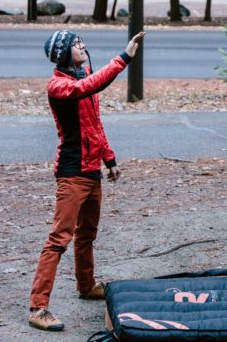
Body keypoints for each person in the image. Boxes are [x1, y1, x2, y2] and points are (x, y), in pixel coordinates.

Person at [28, 29, 145, 332]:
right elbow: (92, 85)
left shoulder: (82, 76)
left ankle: (86, 285)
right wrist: (124, 58)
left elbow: (94, 125)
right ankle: (38, 307)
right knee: (58, 239)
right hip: (71, 173)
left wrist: (110, 159)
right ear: (63, 53)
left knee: (87, 234)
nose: (83, 46)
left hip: (92, 171)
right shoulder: (59, 86)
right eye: (76, 44)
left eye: (81, 42)